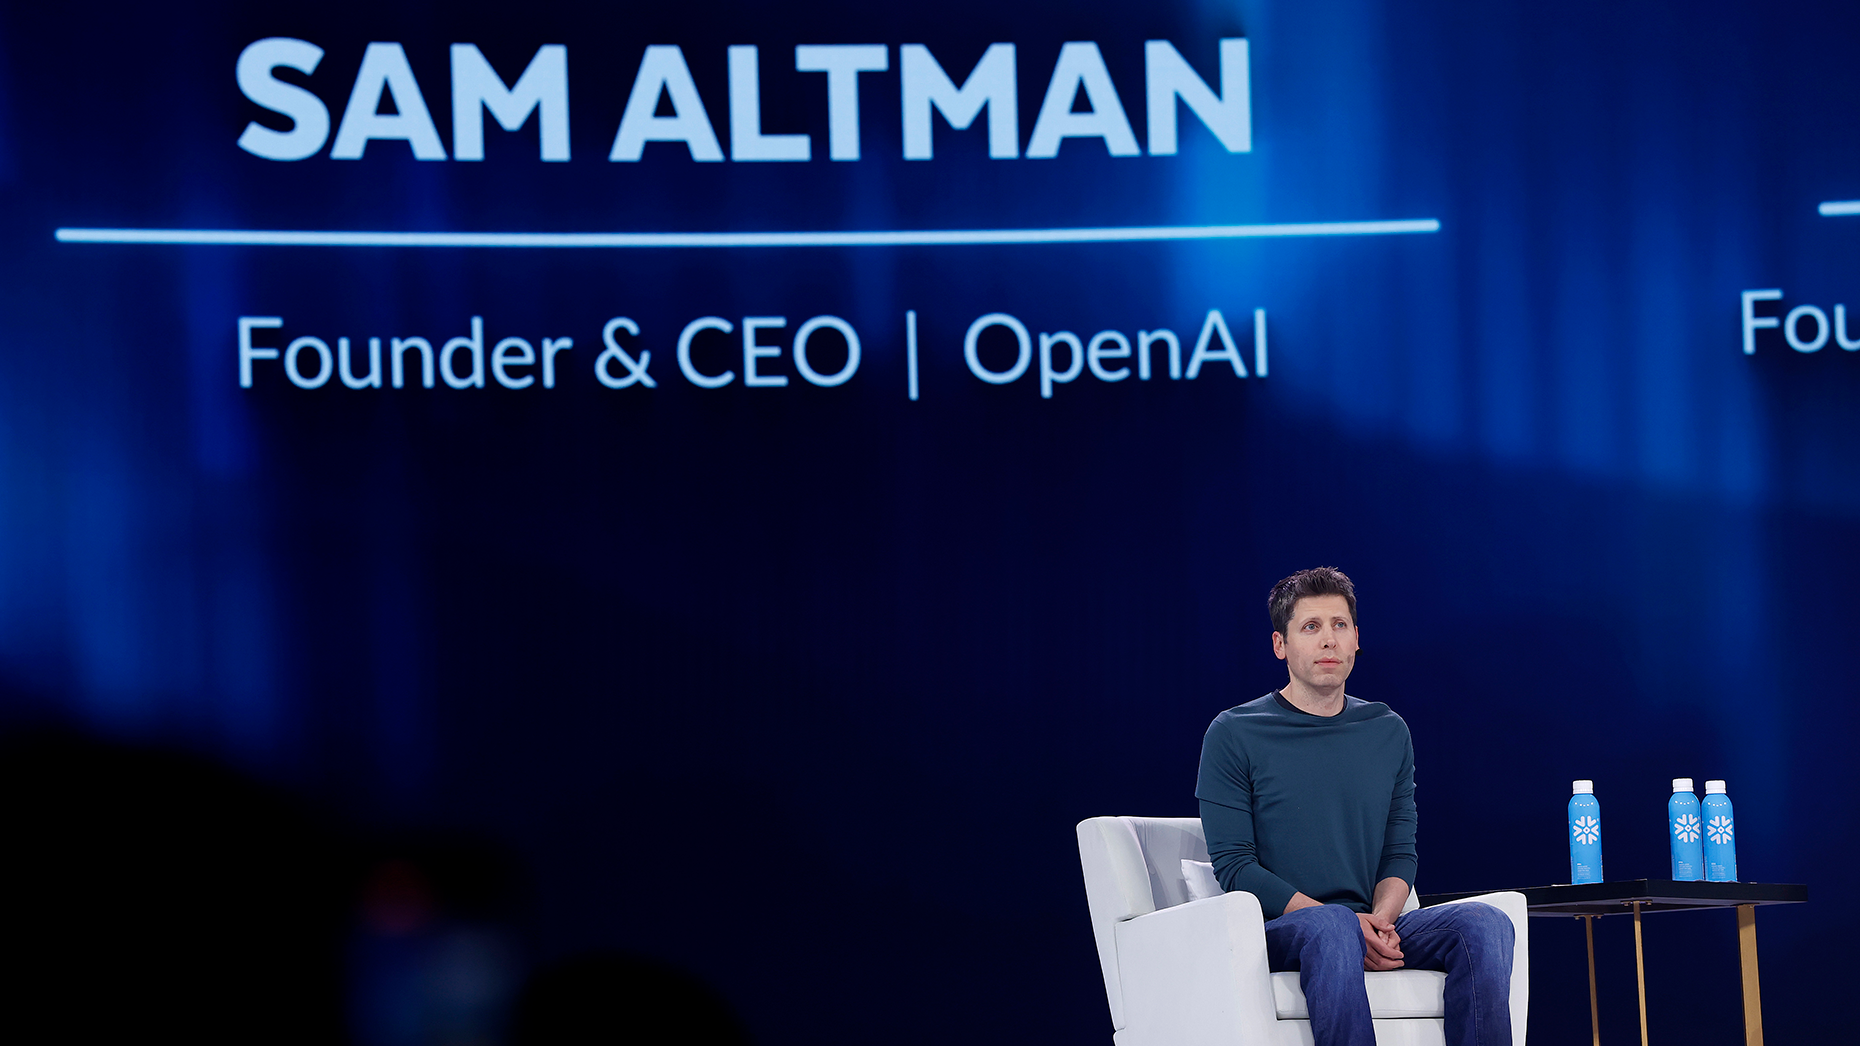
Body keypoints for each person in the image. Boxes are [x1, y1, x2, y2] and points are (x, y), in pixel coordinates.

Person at [1195, 566, 1514, 1046]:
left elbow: (1398, 852)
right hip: (1282, 929)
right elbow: (1236, 867)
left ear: (1356, 639)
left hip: (1370, 921)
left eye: (1339, 625)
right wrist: (1343, 923)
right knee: (1331, 926)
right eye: (1311, 627)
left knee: (1485, 924)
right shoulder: (1233, 733)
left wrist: (1379, 922)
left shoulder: (1387, 730)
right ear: (1280, 644)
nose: (1329, 639)